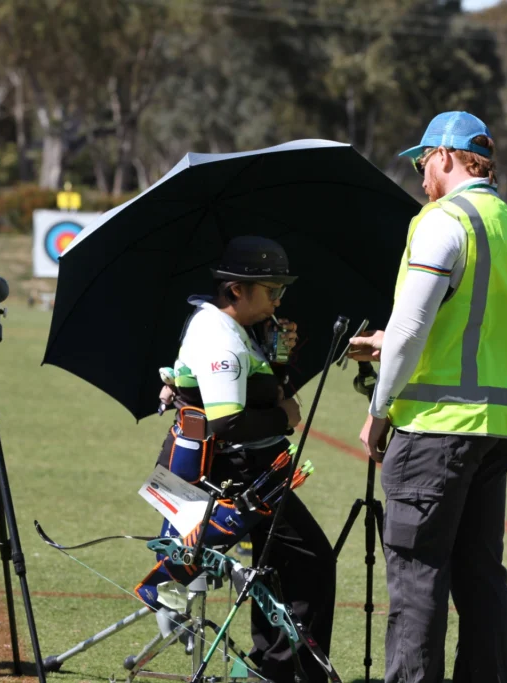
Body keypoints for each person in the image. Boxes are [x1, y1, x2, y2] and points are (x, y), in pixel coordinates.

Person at [347, 111, 507, 683]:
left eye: (421, 161)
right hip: (501, 428)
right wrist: (389, 341)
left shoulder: (443, 221)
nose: (420, 175)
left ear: (443, 155)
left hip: (436, 426)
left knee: (417, 574)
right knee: (481, 574)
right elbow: (474, 323)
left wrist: (378, 410)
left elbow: (413, 328)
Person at [137, 235, 337, 683]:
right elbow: (227, 422)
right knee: (310, 562)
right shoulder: (219, 337)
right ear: (235, 290)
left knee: (277, 568)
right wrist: (285, 417)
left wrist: (279, 356)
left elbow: (257, 390)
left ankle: (275, 667)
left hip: (252, 471)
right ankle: (288, 673)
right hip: (238, 475)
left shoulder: (238, 329)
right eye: (272, 290)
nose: (279, 300)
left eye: (281, 290)